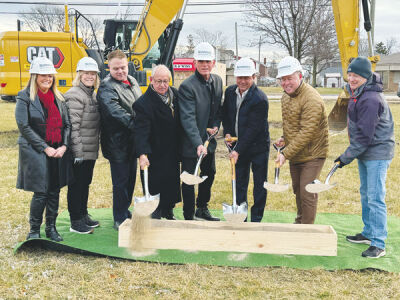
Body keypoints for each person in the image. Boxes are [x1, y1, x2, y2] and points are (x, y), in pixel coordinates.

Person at [336, 57, 394, 258]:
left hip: (377, 152)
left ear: (366, 77)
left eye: (357, 76)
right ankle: (369, 233)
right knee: (366, 193)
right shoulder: (357, 93)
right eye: (350, 74)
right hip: (366, 151)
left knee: (375, 197)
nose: (352, 78)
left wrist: (346, 157)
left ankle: (378, 243)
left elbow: (365, 135)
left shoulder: (370, 99)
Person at [15, 56, 72, 242]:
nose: (47, 79)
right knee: (41, 191)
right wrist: (45, 148)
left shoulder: (59, 98)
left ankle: (51, 228)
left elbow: (67, 125)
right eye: (43, 75)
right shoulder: (24, 97)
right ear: (34, 76)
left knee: (54, 190)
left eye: (50, 75)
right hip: (36, 150)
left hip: (57, 150)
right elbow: (24, 126)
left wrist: (64, 145)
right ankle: (33, 230)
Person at [275, 56, 329, 224]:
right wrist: (285, 138)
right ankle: (300, 223)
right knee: (298, 190)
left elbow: (307, 132)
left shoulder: (311, 99)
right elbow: (294, 124)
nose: (286, 83)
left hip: (313, 153)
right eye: (282, 79)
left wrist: (285, 154)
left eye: (289, 78)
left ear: (300, 76)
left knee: (307, 191)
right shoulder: (286, 96)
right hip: (297, 152)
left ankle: (307, 230)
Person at [97, 50, 142, 230]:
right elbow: (116, 113)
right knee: (120, 182)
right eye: (116, 69)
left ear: (127, 65)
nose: (120, 71)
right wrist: (139, 125)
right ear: (109, 67)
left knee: (131, 179)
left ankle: (125, 209)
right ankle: (119, 217)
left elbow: (140, 104)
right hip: (117, 143)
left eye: (123, 67)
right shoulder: (106, 87)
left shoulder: (132, 81)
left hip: (132, 142)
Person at [179, 42, 223, 221]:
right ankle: (188, 215)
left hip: (208, 141)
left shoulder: (218, 81)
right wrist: (198, 143)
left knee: (209, 174)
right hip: (192, 143)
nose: (205, 65)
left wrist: (215, 125)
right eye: (201, 61)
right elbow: (187, 118)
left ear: (213, 62)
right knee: (190, 178)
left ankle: (202, 209)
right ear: (195, 62)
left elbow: (217, 109)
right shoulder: (187, 87)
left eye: (208, 61)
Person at [222, 57, 270, 222]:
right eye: (240, 77)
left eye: (246, 78)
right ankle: (240, 216)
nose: (243, 81)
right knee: (240, 182)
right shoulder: (229, 92)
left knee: (259, 185)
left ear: (254, 77)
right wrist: (228, 133)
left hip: (258, 147)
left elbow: (253, 129)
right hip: (237, 146)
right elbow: (226, 115)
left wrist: (237, 150)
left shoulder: (260, 99)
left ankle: (256, 218)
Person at [133, 65, 181, 220]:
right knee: (156, 183)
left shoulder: (176, 95)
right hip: (154, 151)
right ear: (151, 80)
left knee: (171, 182)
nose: (162, 85)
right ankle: (156, 212)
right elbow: (140, 131)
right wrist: (142, 153)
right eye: (158, 81)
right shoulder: (143, 103)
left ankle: (169, 210)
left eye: (165, 81)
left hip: (172, 149)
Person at [64, 57, 101, 234]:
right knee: (77, 185)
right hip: (79, 151)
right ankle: (75, 221)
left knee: (85, 183)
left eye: (93, 73)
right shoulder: (74, 95)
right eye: (86, 73)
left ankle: (83, 214)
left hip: (89, 150)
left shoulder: (91, 95)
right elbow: (73, 127)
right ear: (79, 74)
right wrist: (78, 152)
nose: (89, 76)